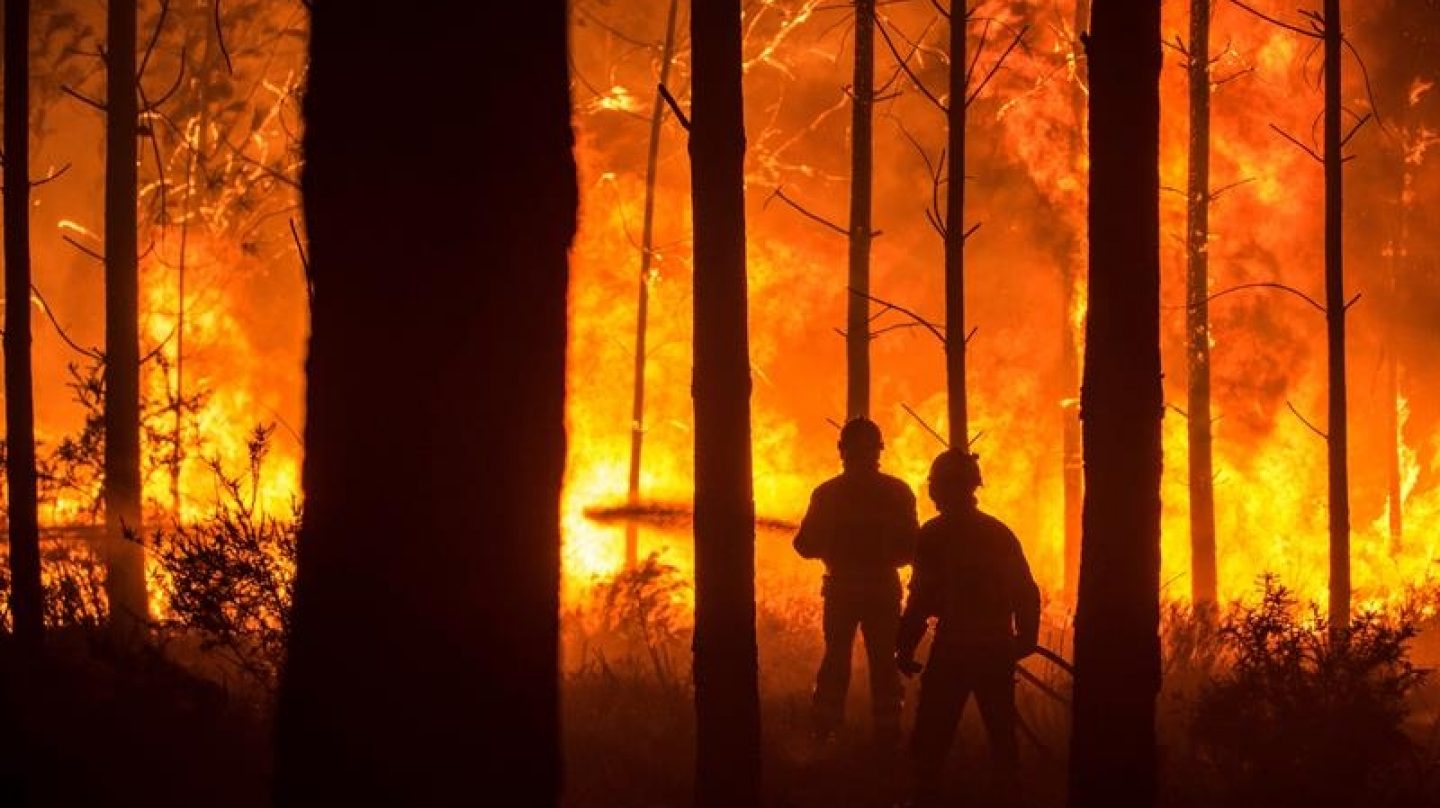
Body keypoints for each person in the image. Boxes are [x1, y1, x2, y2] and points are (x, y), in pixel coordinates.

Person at [895, 449, 1041, 806]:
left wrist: (905, 645)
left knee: (931, 738)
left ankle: (927, 798)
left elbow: (922, 598)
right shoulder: (998, 533)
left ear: (939, 489)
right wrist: (1025, 638)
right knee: (1002, 736)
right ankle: (1010, 796)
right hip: (995, 649)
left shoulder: (933, 535)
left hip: (955, 650)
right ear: (973, 487)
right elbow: (1026, 591)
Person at [794, 417, 919, 745]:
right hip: (882, 588)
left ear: (841, 450)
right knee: (884, 659)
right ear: (880, 450)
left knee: (836, 656)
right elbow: (911, 548)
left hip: (842, 588)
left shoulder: (827, 493)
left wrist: (830, 544)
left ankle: (824, 729)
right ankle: (887, 732)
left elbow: (804, 546)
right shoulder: (898, 492)